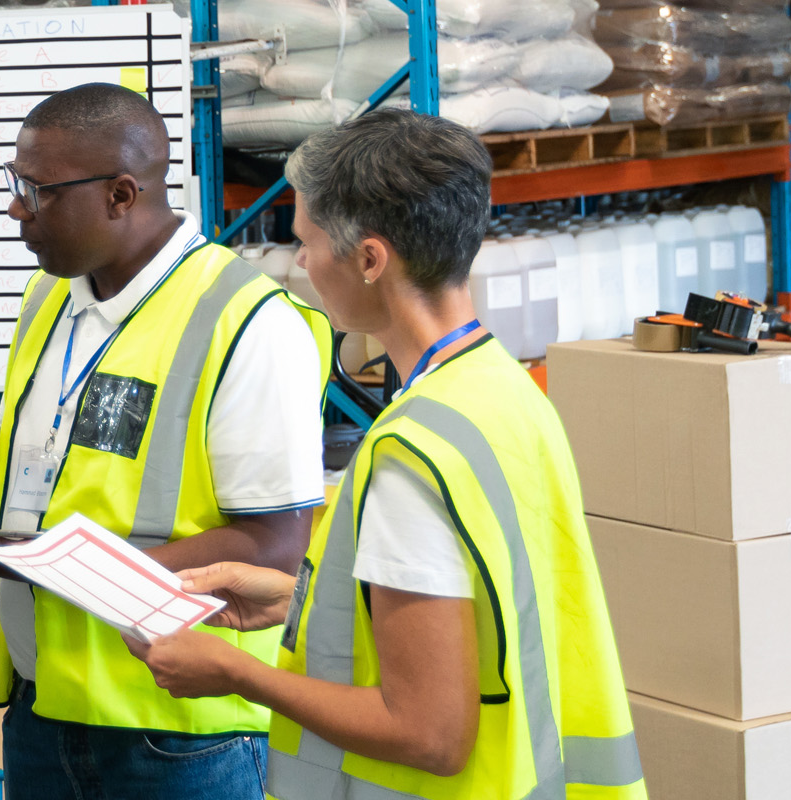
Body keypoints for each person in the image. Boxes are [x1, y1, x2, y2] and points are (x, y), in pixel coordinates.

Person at [126, 108, 646, 799]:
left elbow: (429, 734)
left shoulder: (410, 455)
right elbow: (480, 613)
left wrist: (235, 672)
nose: (302, 262)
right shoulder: (504, 392)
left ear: (370, 259)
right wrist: (293, 600)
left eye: (306, 241)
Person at [0, 83, 335, 797]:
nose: (15, 208)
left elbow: (275, 544)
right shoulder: (48, 298)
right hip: (44, 708)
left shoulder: (248, 323)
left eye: (37, 191)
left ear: (122, 194)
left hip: (176, 728)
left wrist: (61, 570)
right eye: (15, 184)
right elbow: (34, 495)